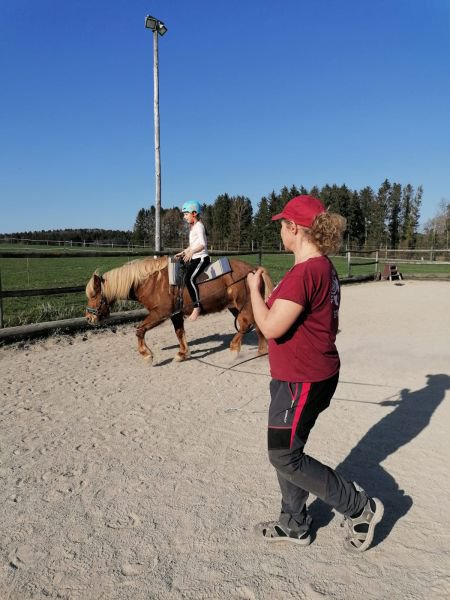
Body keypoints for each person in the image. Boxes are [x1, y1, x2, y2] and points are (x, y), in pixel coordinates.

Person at [247, 195, 384, 552]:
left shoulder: (306, 273)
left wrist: (253, 293)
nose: (280, 230)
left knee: (283, 455)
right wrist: (271, 288)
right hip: (306, 375)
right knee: (288, 448)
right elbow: (289, 311)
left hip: (301, 380)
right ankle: (294, 523)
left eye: (282, 224)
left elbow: (270, 326)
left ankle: (359, 507)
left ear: (294, 228)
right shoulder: (319, 267)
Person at [175, 200, 210, 321]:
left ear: (194, 213)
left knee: (188, 279)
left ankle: (197, 306)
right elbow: (193, 245)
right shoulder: (193, 227)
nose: (184, 217)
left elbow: (203, 244)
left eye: (186, 214)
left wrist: (191, 252)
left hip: (201, 259)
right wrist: (184, 252)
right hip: (195, 258)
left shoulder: (199, 226)